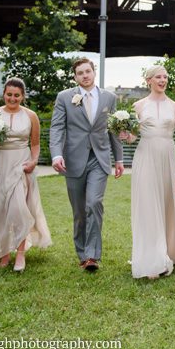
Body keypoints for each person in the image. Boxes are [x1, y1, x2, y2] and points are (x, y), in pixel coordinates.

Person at [0, 78, 51, 271]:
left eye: (16, 95)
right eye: (9, 94)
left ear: (23, 96)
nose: (12, 98)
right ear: (4, 94)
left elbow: (35, 144)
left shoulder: (31, 116)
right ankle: (4, 254)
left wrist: (34, 161)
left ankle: (20, 254)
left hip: (21, 164)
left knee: (19, 209)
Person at [49, 58, 124, 272]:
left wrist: (118, 159)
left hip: (99, 159)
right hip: (73, 160)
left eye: (88, 71)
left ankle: (92, 256)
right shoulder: (64, 97)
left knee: (94, 203)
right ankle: (81, 252)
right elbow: (56, 128)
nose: (85, 75)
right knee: (80, 211)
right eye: (80, 73)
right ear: (75, 77)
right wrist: (56, 155)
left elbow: (113, 129)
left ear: (94, 72)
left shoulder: (109, 97)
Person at [130, 66, 175, 279]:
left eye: (165, 77)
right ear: (148, 80)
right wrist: (123, 134)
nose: (163, 80)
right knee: (148, 204)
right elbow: (131, 137)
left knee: (168, 202)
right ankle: (153, 258)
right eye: (158, 76)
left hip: (168, 158)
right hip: (145, 157)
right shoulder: (138, 106)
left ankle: (171, 251)